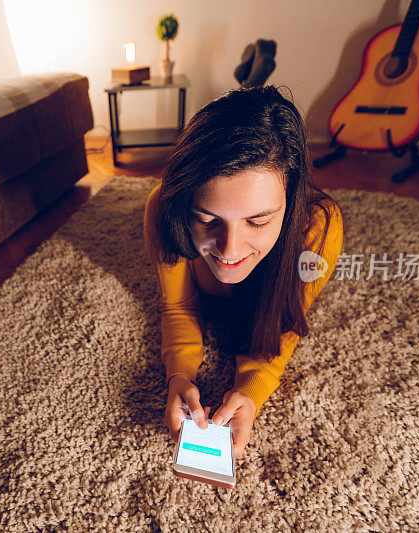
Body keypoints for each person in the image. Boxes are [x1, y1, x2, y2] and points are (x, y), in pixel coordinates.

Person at [143, 85, 344, 459]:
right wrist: (179, 375)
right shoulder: (163, 209)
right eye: (207, 219)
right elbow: (177, 305)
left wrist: (252, 389)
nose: (230, 251)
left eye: (259, 221)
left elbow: (282, 320)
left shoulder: (319, 229)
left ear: (291, 204)